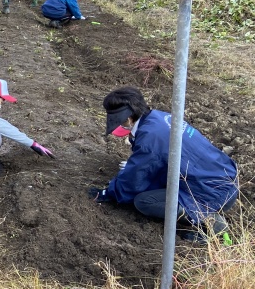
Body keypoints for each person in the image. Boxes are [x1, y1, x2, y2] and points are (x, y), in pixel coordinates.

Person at [91, 87, 239, 241]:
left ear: (128, 119)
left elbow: (135, 178)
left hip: (213, 194)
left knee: (143, 201)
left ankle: (209, 219)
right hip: (225, 179)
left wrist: (110, 193)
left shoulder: (150, 139)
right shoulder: (157, 117)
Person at [0, 78, 54, 156]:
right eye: (0, 102)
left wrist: (32, 142)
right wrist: (32, 144)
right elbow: (5, 128)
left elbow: (2, 123)